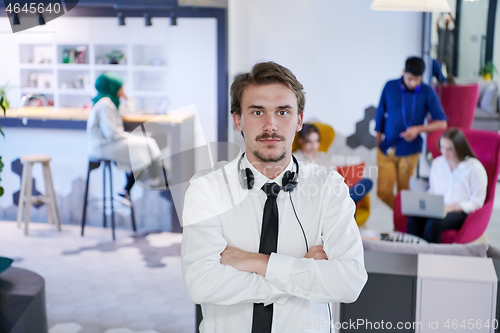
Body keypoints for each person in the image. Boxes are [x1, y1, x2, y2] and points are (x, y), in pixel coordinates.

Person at [181, 62, 367, 333]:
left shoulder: (329, 187)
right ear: (237, 119)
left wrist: (254, 262)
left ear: (299, 120)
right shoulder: (206, 188)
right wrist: (302, 274)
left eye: (283, 112)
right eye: (257, 112)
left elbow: (349, 283)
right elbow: (201, 284)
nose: (271, 125)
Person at [375, 57, 447, 209]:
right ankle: (403, 216)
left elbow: (442, 122)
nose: (413, 83)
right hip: (387, 146)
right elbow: (380, 112)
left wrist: (418, 129)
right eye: (410, 79)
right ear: (403, 72)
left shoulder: (427, 92)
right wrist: (378, 137)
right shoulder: (390, 86)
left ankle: (402, 224)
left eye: (417, 80)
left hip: (410, 150)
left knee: (404, 194)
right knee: (383, 192)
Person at [86, 72, 163, 200]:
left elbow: (128, 111)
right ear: (113, 87)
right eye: (121, 87)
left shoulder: (110, 102)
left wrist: (127, 99)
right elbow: (111, 133)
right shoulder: (105, 104)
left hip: (109, 144)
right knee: (146, 145)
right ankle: (154, 180)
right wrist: (126, 136)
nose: (123, 90)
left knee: (143, 148)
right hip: (103, 146)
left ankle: (128, 188)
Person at [406, 128, 487, 243]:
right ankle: (411, 253)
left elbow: (476, 202)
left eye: (449, 149)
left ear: (459, 148)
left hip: (460, 211)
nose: (444, 152)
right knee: (413, 217)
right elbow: (433, 191)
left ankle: (430, 257)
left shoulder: (474, 168)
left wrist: (450, 208)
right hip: (439, 208)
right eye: (442, 147)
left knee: (435, 222)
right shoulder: (438, 163)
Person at [294, 123, 373, 204]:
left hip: (334, 193)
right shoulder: (296, 158)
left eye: (316, 141)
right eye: (309, 142)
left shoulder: (323, 156)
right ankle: (345, 203)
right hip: (316, 197)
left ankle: (344, 202)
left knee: (367, 182)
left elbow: (335, 173)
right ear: (301, 140)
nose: (313, 146)